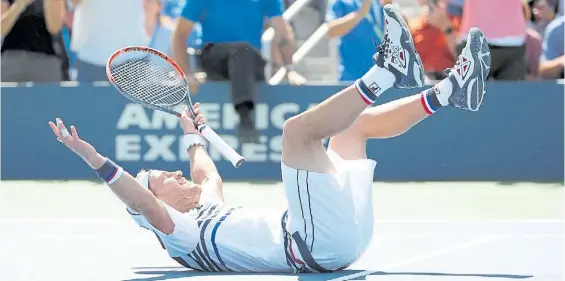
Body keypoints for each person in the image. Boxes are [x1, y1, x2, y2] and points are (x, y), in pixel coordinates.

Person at [49, 5, 491, 273]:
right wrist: (93, 158)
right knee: (297, 132)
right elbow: (140, 201)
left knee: (352, 129)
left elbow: (204, 172)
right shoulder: (179, 234)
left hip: (346, 240)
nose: (170, 174)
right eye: (159, 178)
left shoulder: (206, 209)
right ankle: (387, 72)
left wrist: (190, 132)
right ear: (158, 204)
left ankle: (451, 91)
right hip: (312, 246)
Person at [172, 0, 306, 144]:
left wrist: (290, 69)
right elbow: (180, 33)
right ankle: (245, 117)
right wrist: (186, 74)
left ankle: (245, 114)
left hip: (249, 61)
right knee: (242, 50)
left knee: (244, 51)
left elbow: (282, 32)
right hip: (214, 59)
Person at [1, 0, 68, 82]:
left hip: (45, 63)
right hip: (11, 62)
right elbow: (1, 29)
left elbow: (54, 28)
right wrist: (20, 4)